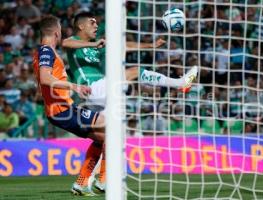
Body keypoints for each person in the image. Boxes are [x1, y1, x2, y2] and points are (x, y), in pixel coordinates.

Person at [62, 11, 199, 195]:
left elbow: (125, 45)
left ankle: (87, 181)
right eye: (92, 23)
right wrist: (93, 43)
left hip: (103, 93)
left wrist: (150, 45)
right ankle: (180, 83)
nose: (96, 26)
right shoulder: (75, 42)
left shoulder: (99, 46)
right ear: (81, 26)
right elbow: (65, 43)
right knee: (133, 71)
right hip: (93, 88)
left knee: (106, 137)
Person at [32, 15, 105, 196]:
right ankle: (103, 181)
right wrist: (74, 86)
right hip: (61, 110)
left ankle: (81, 183)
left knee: (104, 137)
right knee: (111, 127)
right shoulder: (47, 51)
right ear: (57, 32)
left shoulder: (42, 52)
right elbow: (45, 78)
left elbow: (46, 80)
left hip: (62, 109)